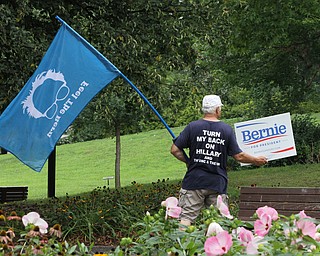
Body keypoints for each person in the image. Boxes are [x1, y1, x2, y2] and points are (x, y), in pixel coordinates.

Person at [170, 94, 268, 226]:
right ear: (217, 110)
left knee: (186, 219)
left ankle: (181, 246)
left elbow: (175, 150)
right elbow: (239, 156)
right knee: (219, 222)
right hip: (217, 183)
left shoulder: (192, 127)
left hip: (194, 181)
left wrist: (189, 162)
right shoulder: (225, 129)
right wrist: (256, 160)